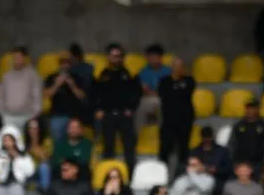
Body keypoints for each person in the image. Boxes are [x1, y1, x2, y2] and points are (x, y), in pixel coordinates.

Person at [94, 43, 141, 173]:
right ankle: (108, 174)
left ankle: (130, 176)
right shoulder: (102, 74)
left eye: (119, 56)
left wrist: (131, 109)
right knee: (108, 147)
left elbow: (137, 93)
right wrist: (99, 109)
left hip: (124, 115)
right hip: (108, 115)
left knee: (129, 147)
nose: (116, 59)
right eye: (113, 56)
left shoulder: (128, 73)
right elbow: (95, 93)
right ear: (108, 57)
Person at [157, 58, 195, 170]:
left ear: (183, 68)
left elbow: (186, 93)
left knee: (184, 148)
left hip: (185, 119)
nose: (178, 68)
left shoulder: (189, 80)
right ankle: (162, 171)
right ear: (171, 68)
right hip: (168, 120)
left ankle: (182, 172)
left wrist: (175, 89)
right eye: (175, 66)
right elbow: (164, 95)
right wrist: (177, 89)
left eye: (180, 66)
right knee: (165, 148)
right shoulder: (164, 81)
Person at [43, 52, 88, 144]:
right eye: (63, 62)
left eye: (67, 62)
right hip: (57, 115)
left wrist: (72, 85)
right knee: (57, 139)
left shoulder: (77, 77)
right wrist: (57, 84)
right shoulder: (51, 77)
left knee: (75, 142)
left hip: (74, 115)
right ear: (59, 64)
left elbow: (82, 96)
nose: (65, 65)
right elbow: (46, 95)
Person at [0, 47, 41, 130]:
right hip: (9, 117)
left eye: (19, 57)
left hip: (27, 116)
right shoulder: (6, 76)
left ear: (24, 58)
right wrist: (2, 112)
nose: (16, 59)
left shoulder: (32, 75)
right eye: (15, 57)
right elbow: (1, 96)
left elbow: (37, 95)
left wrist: (34, 114)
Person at [134, 44, 171, 134]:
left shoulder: (169, 71)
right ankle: (136, 136)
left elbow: (170, 90)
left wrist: (158, 93)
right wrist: (157, 93)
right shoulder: (143, 72)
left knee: (166, 106)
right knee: (140, 106)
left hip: (165, 99)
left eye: (154, 57)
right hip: (148, 99)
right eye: (149, 57)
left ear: (160, 57)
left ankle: (165, 135)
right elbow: (144, 90)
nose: (152, 59)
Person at [50, 118, 93, 184]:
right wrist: (68, 167)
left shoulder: (87, 144)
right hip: (62, 173)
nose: (74, 130)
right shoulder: (60, 144)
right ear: (67, 130)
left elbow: (85, 160)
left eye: (76, 127)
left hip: (81, 175)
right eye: (71, 127)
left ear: (81, 130)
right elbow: (56, 160)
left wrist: (72, 168)